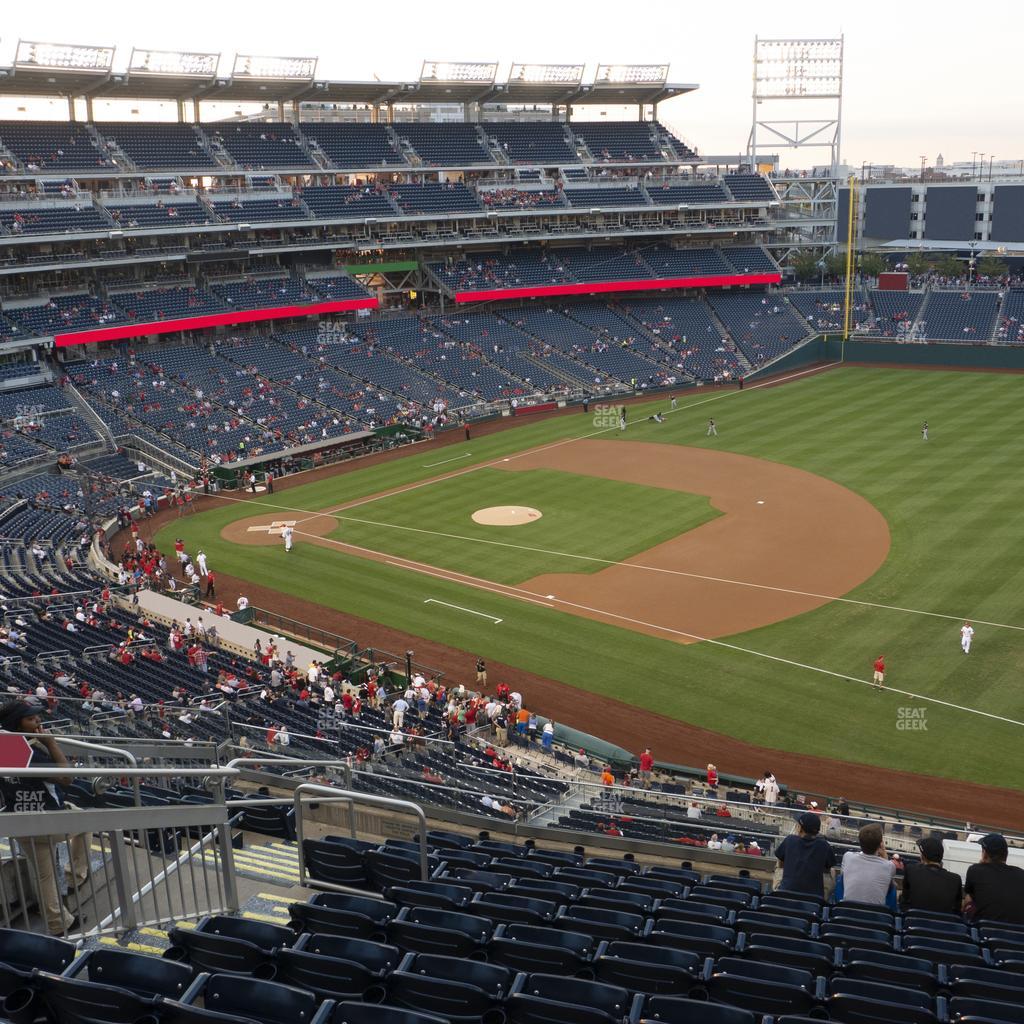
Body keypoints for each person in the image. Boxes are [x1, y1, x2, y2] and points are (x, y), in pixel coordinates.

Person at [0, 700, 89, 934]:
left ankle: (58, 922)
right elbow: (66, 778)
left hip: (17, 818)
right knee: (86, 821)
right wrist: (51, 743)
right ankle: (74, 877)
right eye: (30, 719)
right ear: (17, 724)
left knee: (44, 875)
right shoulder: (30, 753)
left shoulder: (5, 744)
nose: (38, 720)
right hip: (47, 820)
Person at [775, 812, 837, 899]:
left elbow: (781, 863)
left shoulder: (790, 840)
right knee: (832, 871)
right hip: (814, 899)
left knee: (778, 863)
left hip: (785, 894)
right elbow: (827, 869)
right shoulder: (824, 845)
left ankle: (778, 890)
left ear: (800, 828)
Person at [964, 833, 1024, 923]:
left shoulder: (975, 870)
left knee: (969, 896)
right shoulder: (1021, 873)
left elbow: (970, 895)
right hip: (1017, 930)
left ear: (984, 854)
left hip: (984, 928)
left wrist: (980, 865)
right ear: (1006, 854)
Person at [839, 822, 896, 905]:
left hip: (847, 909)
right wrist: (884, 854)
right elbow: (889, 879)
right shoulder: (890, 866)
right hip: (875, 913)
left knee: (840, 878)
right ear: (880, 845)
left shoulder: (848, 856)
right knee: (892, 886)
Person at [902, 836, 963, 914]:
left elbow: (904, 902)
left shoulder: (911, 870)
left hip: (914, 920)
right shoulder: (956, 880)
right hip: (943, 921)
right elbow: (957, 911)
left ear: (923, 856)